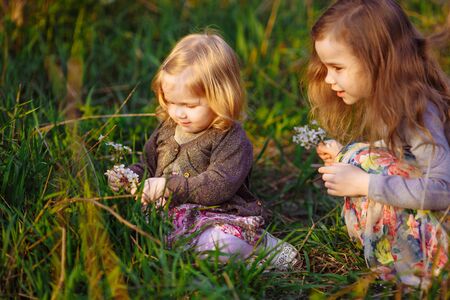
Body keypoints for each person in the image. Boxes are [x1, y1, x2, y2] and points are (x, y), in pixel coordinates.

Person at [107, 32, 298, 269]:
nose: (179, 113)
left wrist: (169, 186)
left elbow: (219, 185)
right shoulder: (168, 129)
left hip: (216, 213)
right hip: (169, 216)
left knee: (219, 244)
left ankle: (261, 249)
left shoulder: (230, 138)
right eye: (171, 102)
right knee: (135, 230)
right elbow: (148, 165)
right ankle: (201, 251)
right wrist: (130, 177)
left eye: (190, 105)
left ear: (222, 98)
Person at [307, 0, 450, 288]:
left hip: (442, 236)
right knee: (358, 155)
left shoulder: (418, 113)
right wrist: (345, 156)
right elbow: (406, 156)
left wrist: (365, 184)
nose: (328, 78)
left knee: (363, 158)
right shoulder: (396, 103)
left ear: (378, 61)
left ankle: (420, 272)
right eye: (325, 67)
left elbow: (444, 190)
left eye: (337, 67)